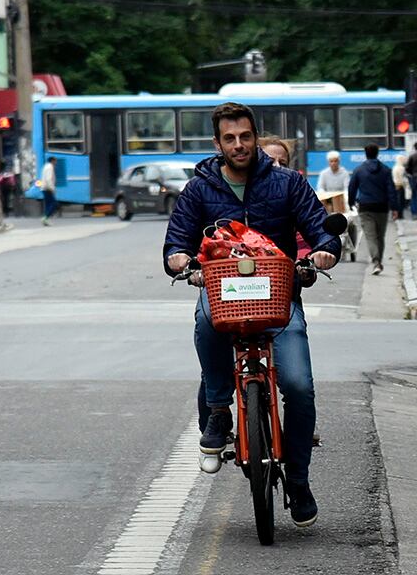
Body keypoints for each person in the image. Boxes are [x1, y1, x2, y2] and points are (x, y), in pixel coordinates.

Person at [163, 102, 340, 528]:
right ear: (217, 143)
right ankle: (219, 409)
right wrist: (180, 261)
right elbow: (175, 244)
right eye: (230, 138)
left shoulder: (287, 183)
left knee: (299, 386)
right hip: (223, 297)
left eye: (245, 136)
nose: (239, 145)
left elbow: (320, 228)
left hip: (279, 299)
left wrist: (324, 251)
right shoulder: (199, 189)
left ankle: (298, 481)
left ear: (255, 136)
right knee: (205, 321)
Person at [348, 143, 397, 275]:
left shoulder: (359, 170)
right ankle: (378, 261)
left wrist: (351, 202)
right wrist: (395, 208)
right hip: (382, 207)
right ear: (377, 153)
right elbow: (391, 190)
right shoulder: (386, 170)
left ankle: (376, 262)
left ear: (366, 153)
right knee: (380, 236)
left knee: (370, 236)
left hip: (365, 207)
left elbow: (352, 187)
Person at [41, 156, 58, 226]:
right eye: (55, 161)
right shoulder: (50, 167)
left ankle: (45, 220)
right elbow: (48, 179)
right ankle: (45, 218)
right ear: (52, 161)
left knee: (48, 205)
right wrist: (52, 189)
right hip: (47, 188)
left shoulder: (46, 166)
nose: (56, 163)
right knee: (54, 204)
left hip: (45, 188)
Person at [392, 154, 407, 219]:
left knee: (396, 201)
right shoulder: (401, 168)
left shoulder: (395, 167)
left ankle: (396, 214)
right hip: (400, 185)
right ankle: (400, 215)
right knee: (400, 201)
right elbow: (403, 178)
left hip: (395, 185)